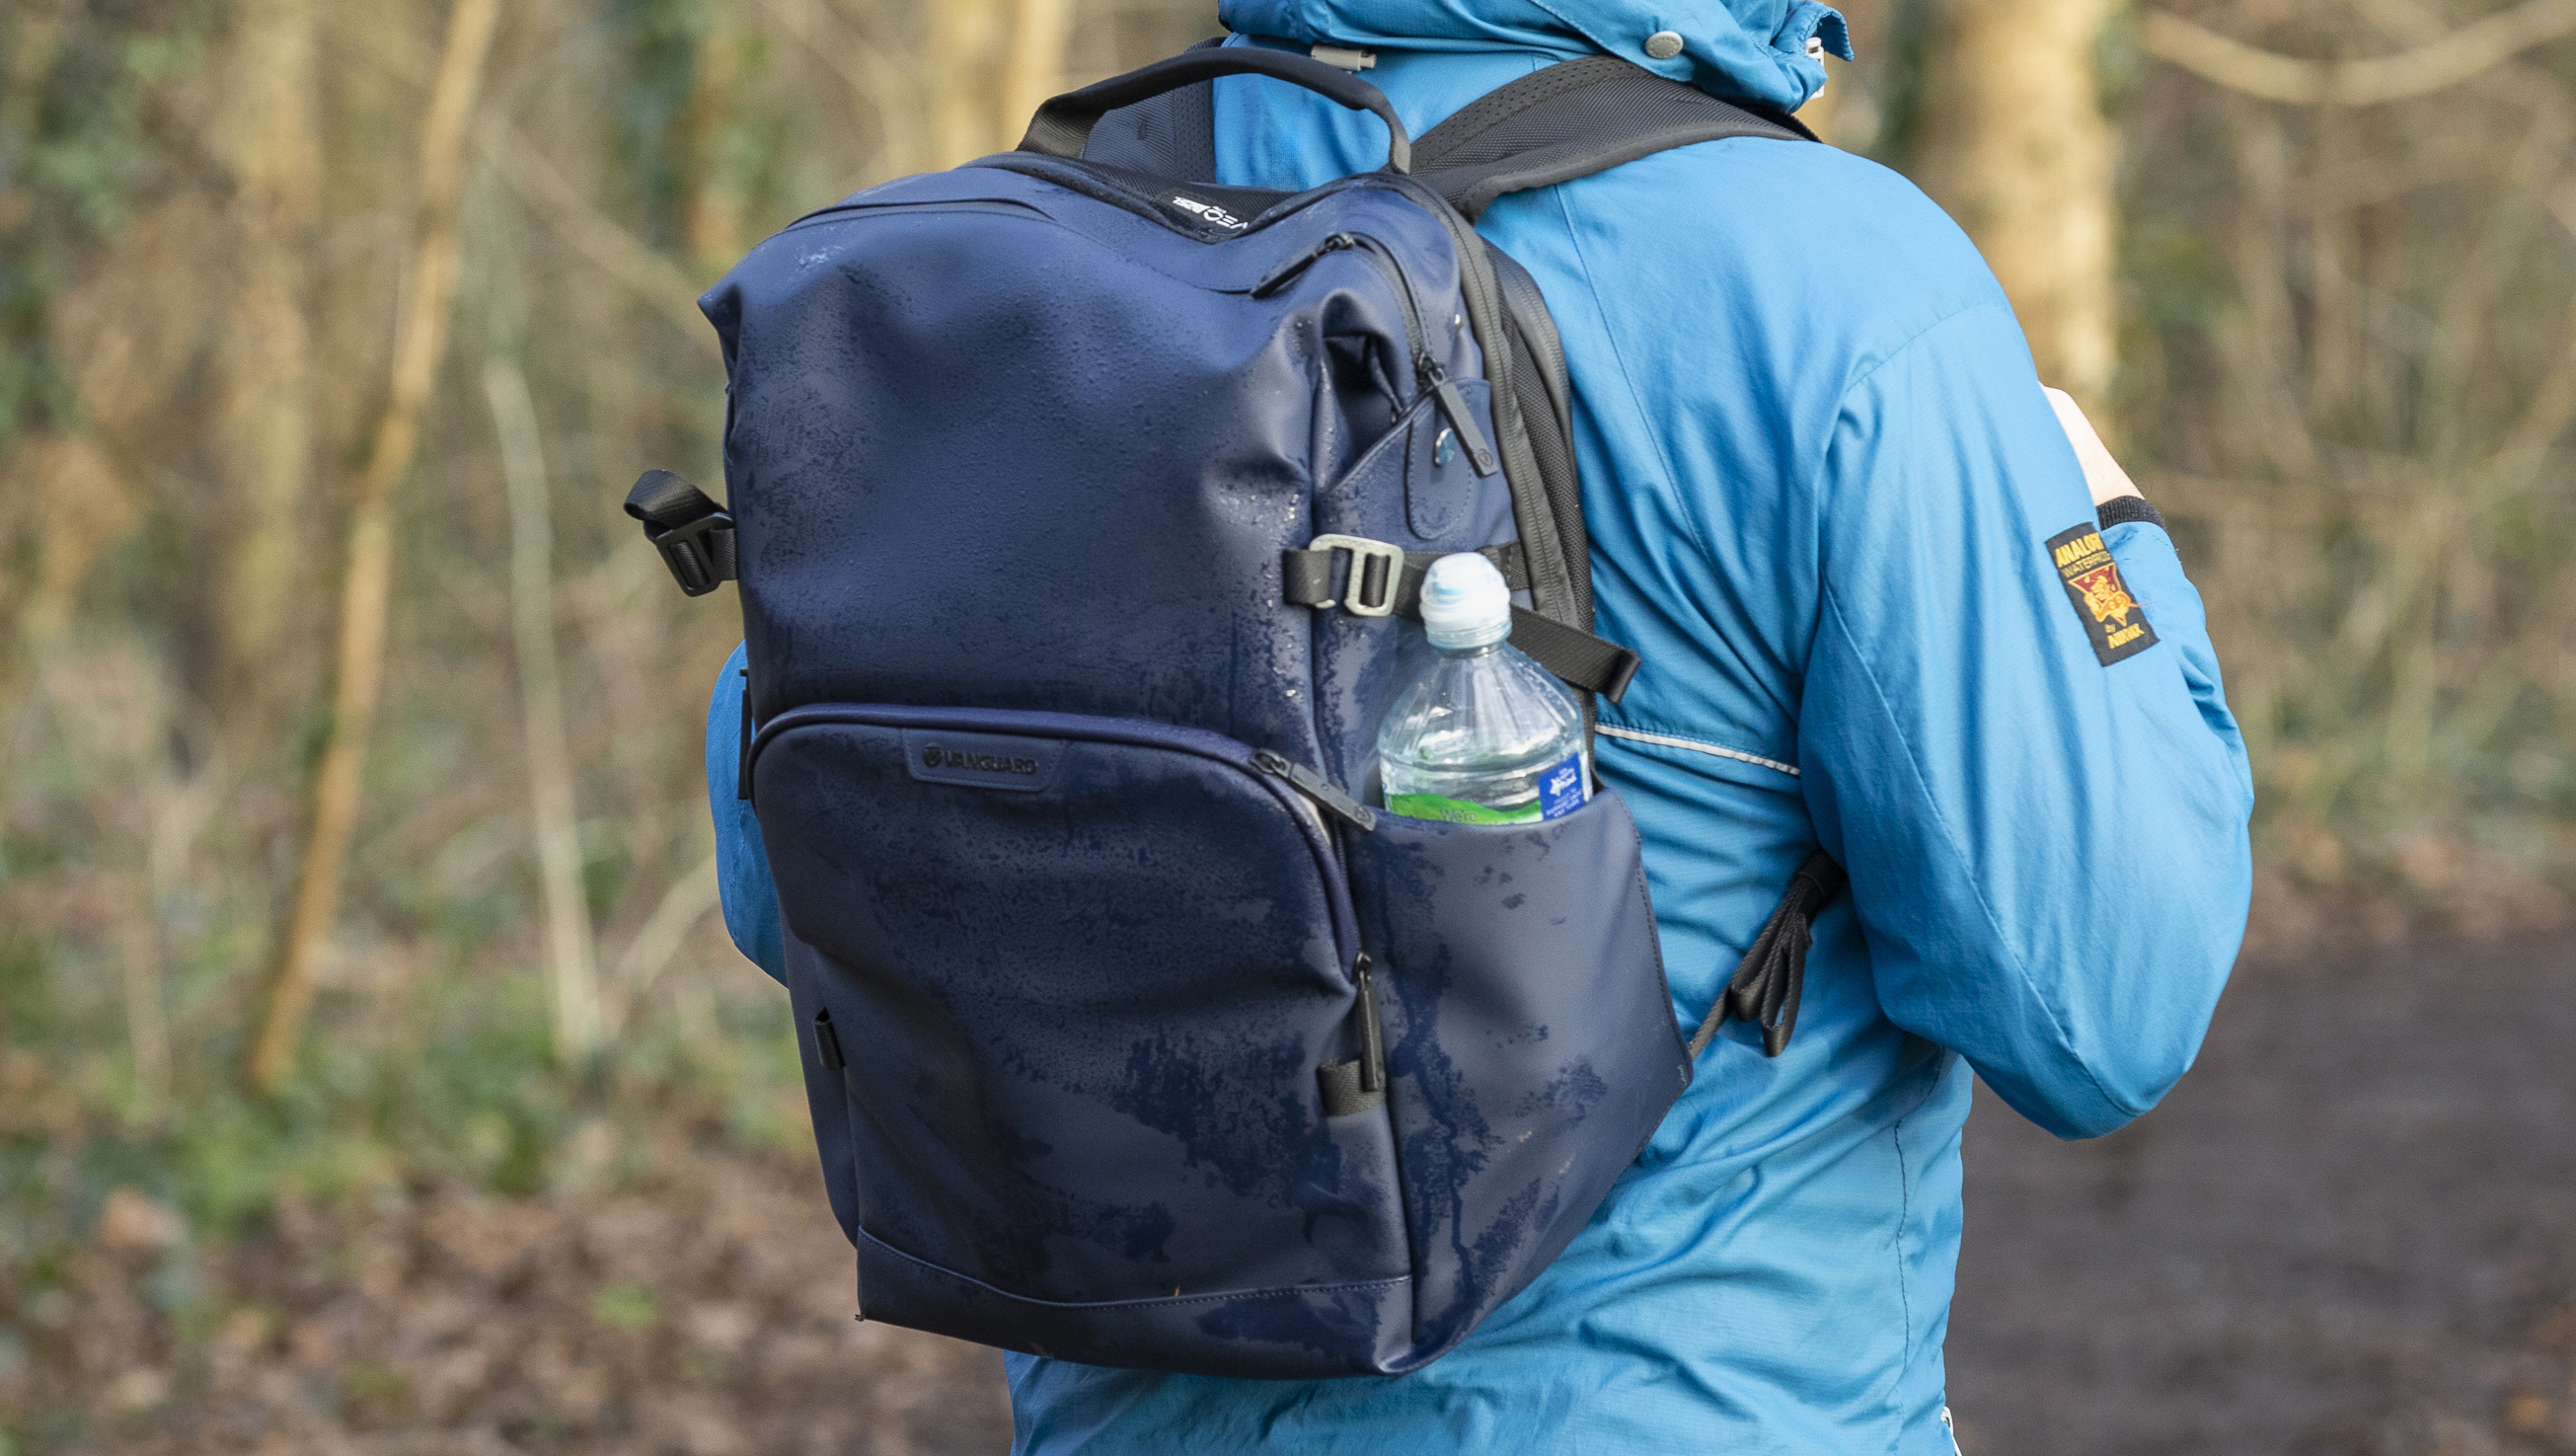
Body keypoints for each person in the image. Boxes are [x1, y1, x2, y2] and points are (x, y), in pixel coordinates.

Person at [703, 3, 2255, 1449]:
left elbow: (802, 899)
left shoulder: (1005, 266)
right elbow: (2095, 1010)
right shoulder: (1832, 280)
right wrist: (2109, 541)